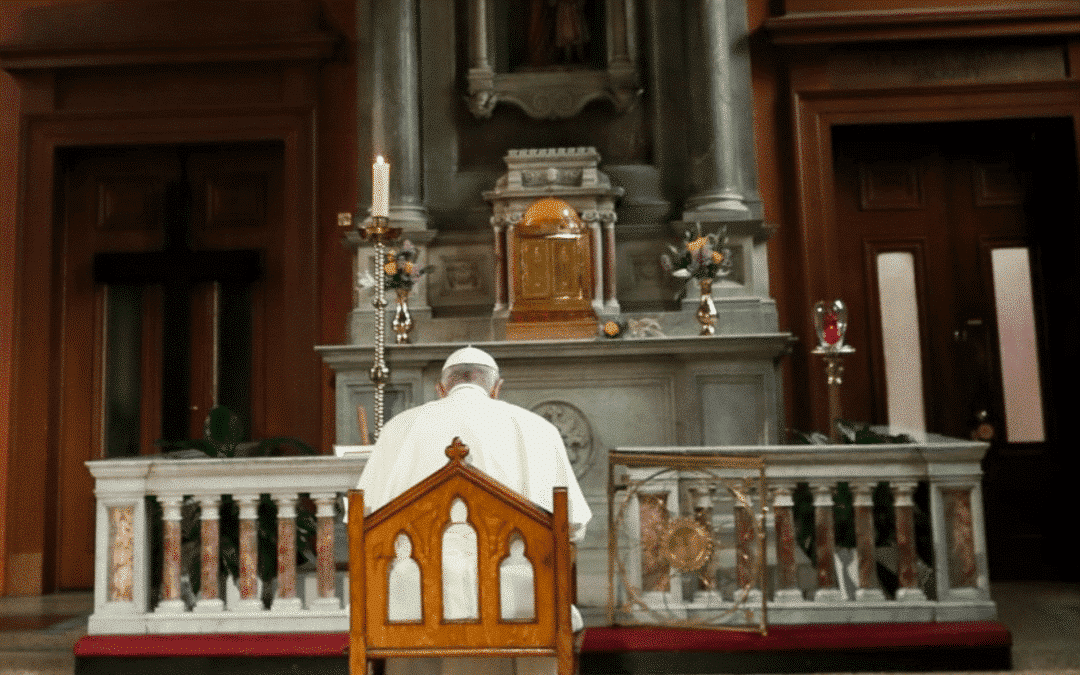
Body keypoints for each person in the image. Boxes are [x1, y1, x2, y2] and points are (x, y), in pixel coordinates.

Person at [355, 346, 592, 675]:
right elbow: (573, 526)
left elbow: (361, 523)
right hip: (516, 601)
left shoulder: (400, 428)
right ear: (496, 388)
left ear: (441, 389)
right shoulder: (537, 429)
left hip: (416, 601)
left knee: (402, 580)